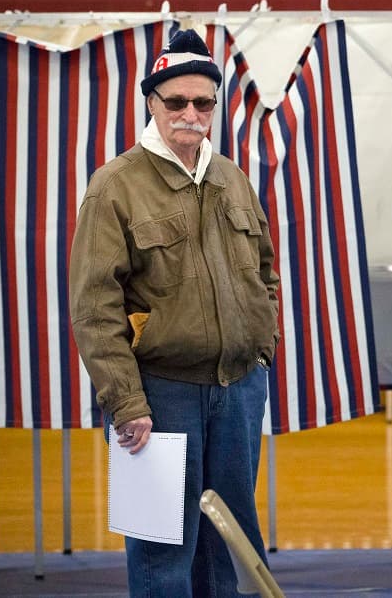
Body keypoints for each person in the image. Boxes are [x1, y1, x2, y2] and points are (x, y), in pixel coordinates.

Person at [69, 29, 280, 596]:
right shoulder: (115, 186)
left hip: (237, 390)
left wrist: (262, 350)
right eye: (176, 101)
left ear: (216, 105)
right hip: (160, 396)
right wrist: (125, 401)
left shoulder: (231, 178)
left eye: (203, 101)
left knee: (232, 542)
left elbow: (264, 271)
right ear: (151, 103)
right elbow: (93, 307)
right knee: (163, 548)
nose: (190, 112)